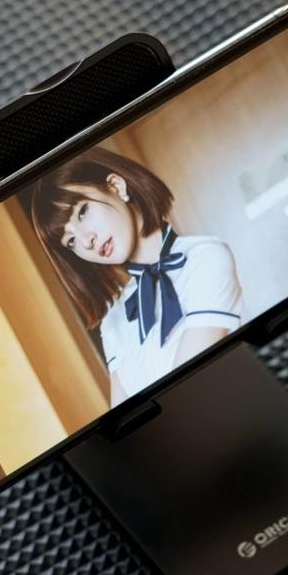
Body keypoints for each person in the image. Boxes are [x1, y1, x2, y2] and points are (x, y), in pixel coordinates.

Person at [28, 147, 242, 405]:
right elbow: (125, 416)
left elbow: (187, 388)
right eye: (70, 241)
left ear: (116, 187)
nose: (86, 240)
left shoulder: (204, 258)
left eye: (83, 211)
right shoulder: (113, 319)